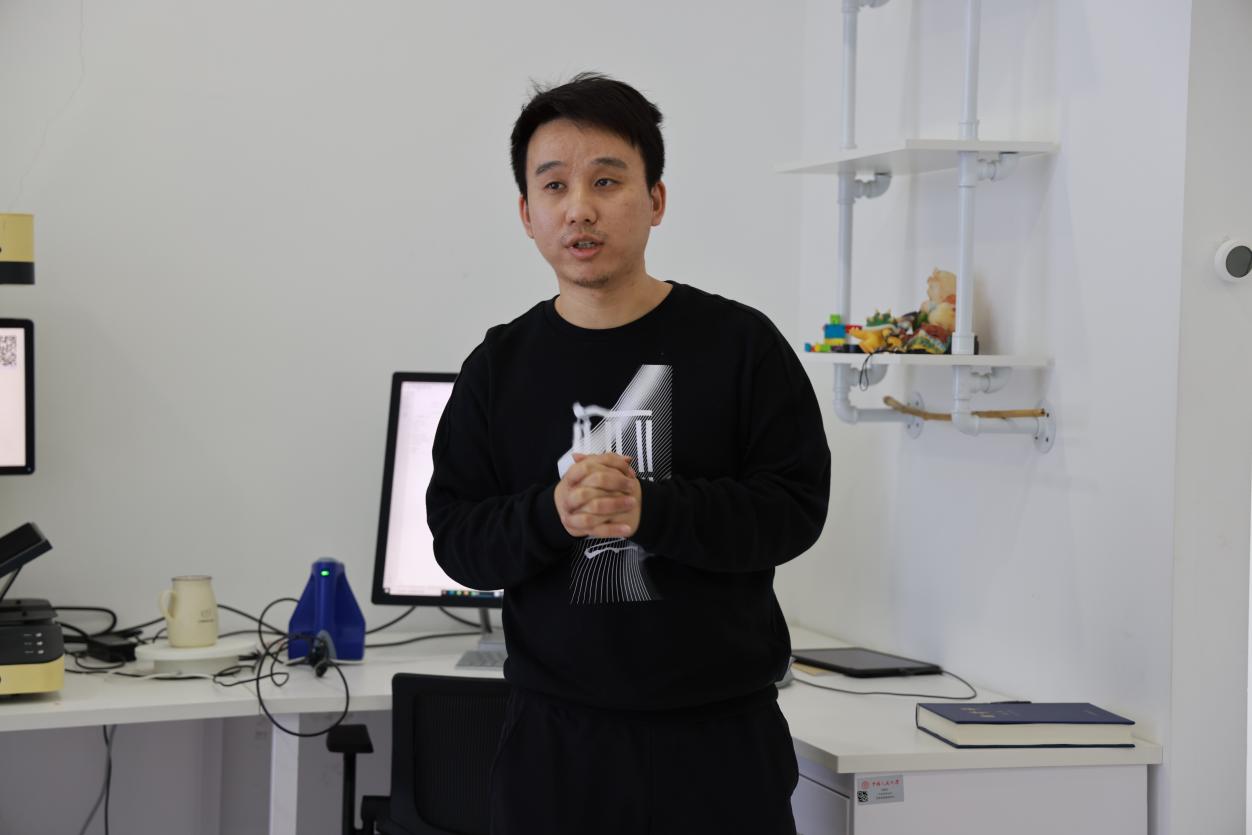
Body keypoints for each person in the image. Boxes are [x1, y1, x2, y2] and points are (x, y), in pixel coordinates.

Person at [426, 72, 831, 835]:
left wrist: (653, 508)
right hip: (557, 748)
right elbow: (457, 537)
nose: (579, 207)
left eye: (607, 180)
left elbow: (795, 509)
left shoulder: (741, 345)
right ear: (527, 213)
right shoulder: (499, 367)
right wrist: (553, 515)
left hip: (721, 743)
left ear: (656, 200)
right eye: (554, 185)